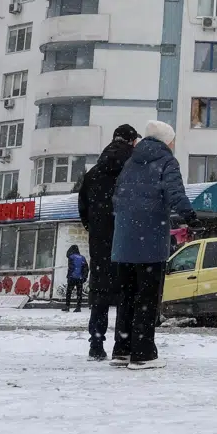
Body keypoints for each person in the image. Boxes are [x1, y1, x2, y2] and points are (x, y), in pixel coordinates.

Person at [110, 120, 197, 370]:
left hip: (124, 243)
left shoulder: (130, 162)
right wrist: (190, 217)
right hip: (149, 242)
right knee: (147, 299)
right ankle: (143, 353)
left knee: (126, 297)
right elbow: (175, 193)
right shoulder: (167, 161)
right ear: (166, 140)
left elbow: (116, 198)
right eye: (173, 139)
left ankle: (122, 349)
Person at [77, 123, 140, 361]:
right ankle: (122, 345)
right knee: (127, 293)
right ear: (132, 141)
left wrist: (95, 228)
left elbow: (83, 208)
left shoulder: (93, 173)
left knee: (101, 294)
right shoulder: (133, 169)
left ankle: (96, 343)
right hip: (128, 238)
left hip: (100, 242)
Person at [63, 245, 87, 312]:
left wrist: (68, 276)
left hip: (72, 277)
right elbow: (86, 268)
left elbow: (70, 267)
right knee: (79, 293)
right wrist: (85, 277)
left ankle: (67, 306)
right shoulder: (83, 258)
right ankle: (78, 307)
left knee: (69, 292)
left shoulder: (71, 257)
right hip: (80, 278)